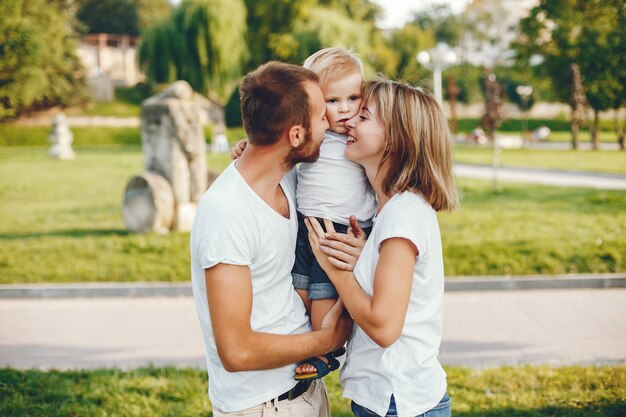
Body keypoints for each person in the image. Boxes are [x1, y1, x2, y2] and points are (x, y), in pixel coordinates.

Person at [190, 61, 352, 417]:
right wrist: (328, 339)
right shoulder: (227, 213)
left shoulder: (290, 179)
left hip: (306, 391)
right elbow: (236, 351)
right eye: (321, 116)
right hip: (262, 406)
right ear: (296, 135)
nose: (330, 122)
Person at [304, 79, 459, 417]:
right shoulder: (388, 209)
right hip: (387, 399)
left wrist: (335, 270)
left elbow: (385, 328)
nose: (349, 122)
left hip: (399, 402)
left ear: (396, 137)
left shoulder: (402, 214)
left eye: (364, 117)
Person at [293, 47, 377, 380]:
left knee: (323, 304)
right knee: (297, 296)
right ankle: (301, 345)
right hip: (306, 228)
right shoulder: (312, 137)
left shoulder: (360, 139)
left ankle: (326, 353)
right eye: (332, 101)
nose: (344, 109)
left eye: (353, 98)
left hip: (341, 231)